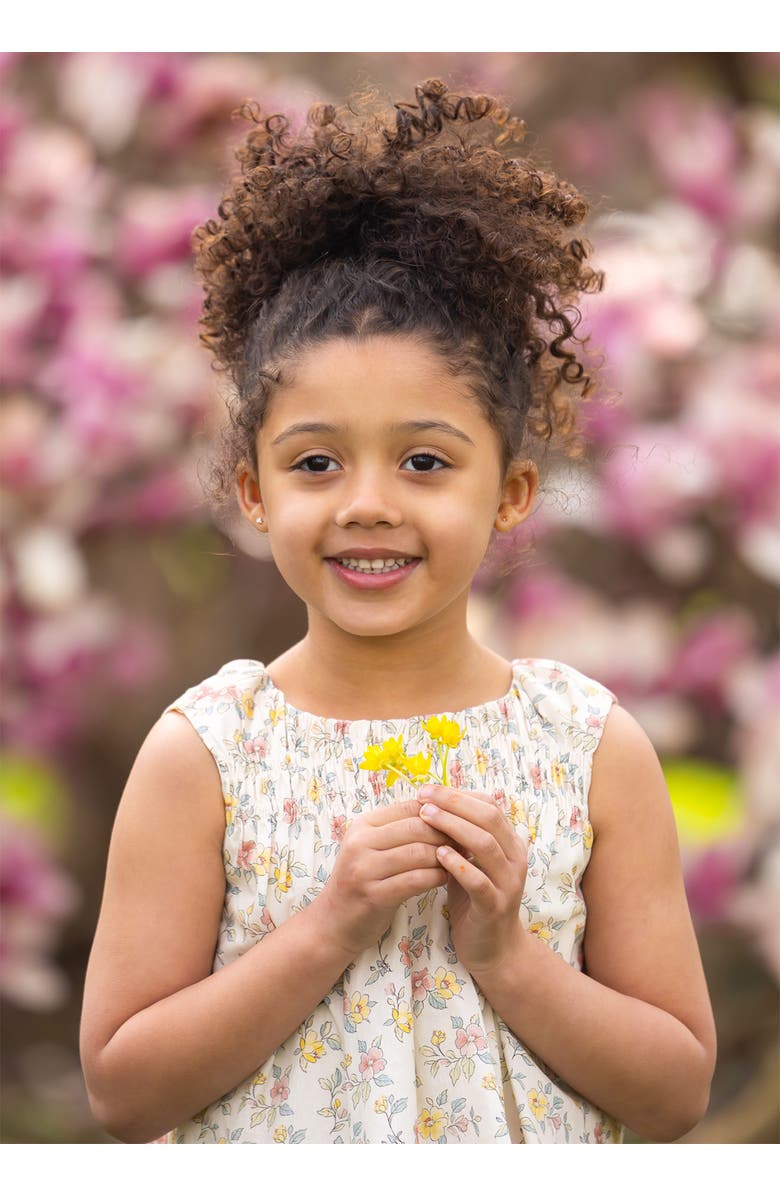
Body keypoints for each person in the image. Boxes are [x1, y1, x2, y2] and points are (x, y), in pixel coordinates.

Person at [79, 78, 716, 1145]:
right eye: (316, 461)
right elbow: (121, 1089)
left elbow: (676, 1091)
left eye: (425, 460)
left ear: (509, 493)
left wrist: (509, 955)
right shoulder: (207, 753)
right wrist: (329, 925)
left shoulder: (589, 746)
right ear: (254, 490)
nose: (367, 502)